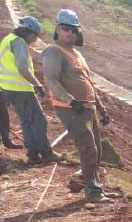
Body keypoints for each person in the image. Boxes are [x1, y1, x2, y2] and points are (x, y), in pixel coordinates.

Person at [42, 9, 111, 203]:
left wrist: (102, 107)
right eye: (66, 29)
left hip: (88, 107)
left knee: (96, 149)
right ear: (57, 29)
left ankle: (96, 187)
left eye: (74, 30)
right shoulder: (53, 51)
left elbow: (87, 81)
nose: (70, 33)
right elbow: (52, 80)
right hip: (72, 109)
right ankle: (93, 192)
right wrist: (70, 100)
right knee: (87, 148)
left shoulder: (77, 54)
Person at [0, 16, 58, 163]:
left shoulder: (8, 39)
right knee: (39, 120)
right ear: (31, 33)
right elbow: (21, 67)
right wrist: (37, 84)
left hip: (8, 88)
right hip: (21, 88)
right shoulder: (19, 43)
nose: (34, 40)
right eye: (35, 37)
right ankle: (46, 153)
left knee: (27, 121)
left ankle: (33, 155)